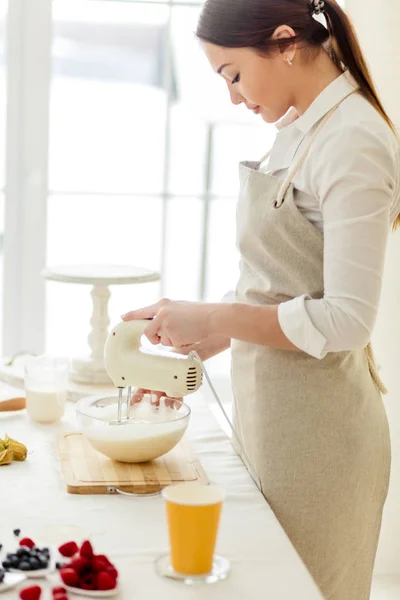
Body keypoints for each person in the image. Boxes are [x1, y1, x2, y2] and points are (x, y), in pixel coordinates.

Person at [122, 1, 400, 598]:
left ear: (284, 43)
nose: (233, 98)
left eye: (233, 75)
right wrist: (199, 335)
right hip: (272, 418)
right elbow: (281, 283)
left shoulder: (353, 140)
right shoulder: (301, 130)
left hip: (321, 442)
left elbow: (346, 320)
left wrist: (217, 316)